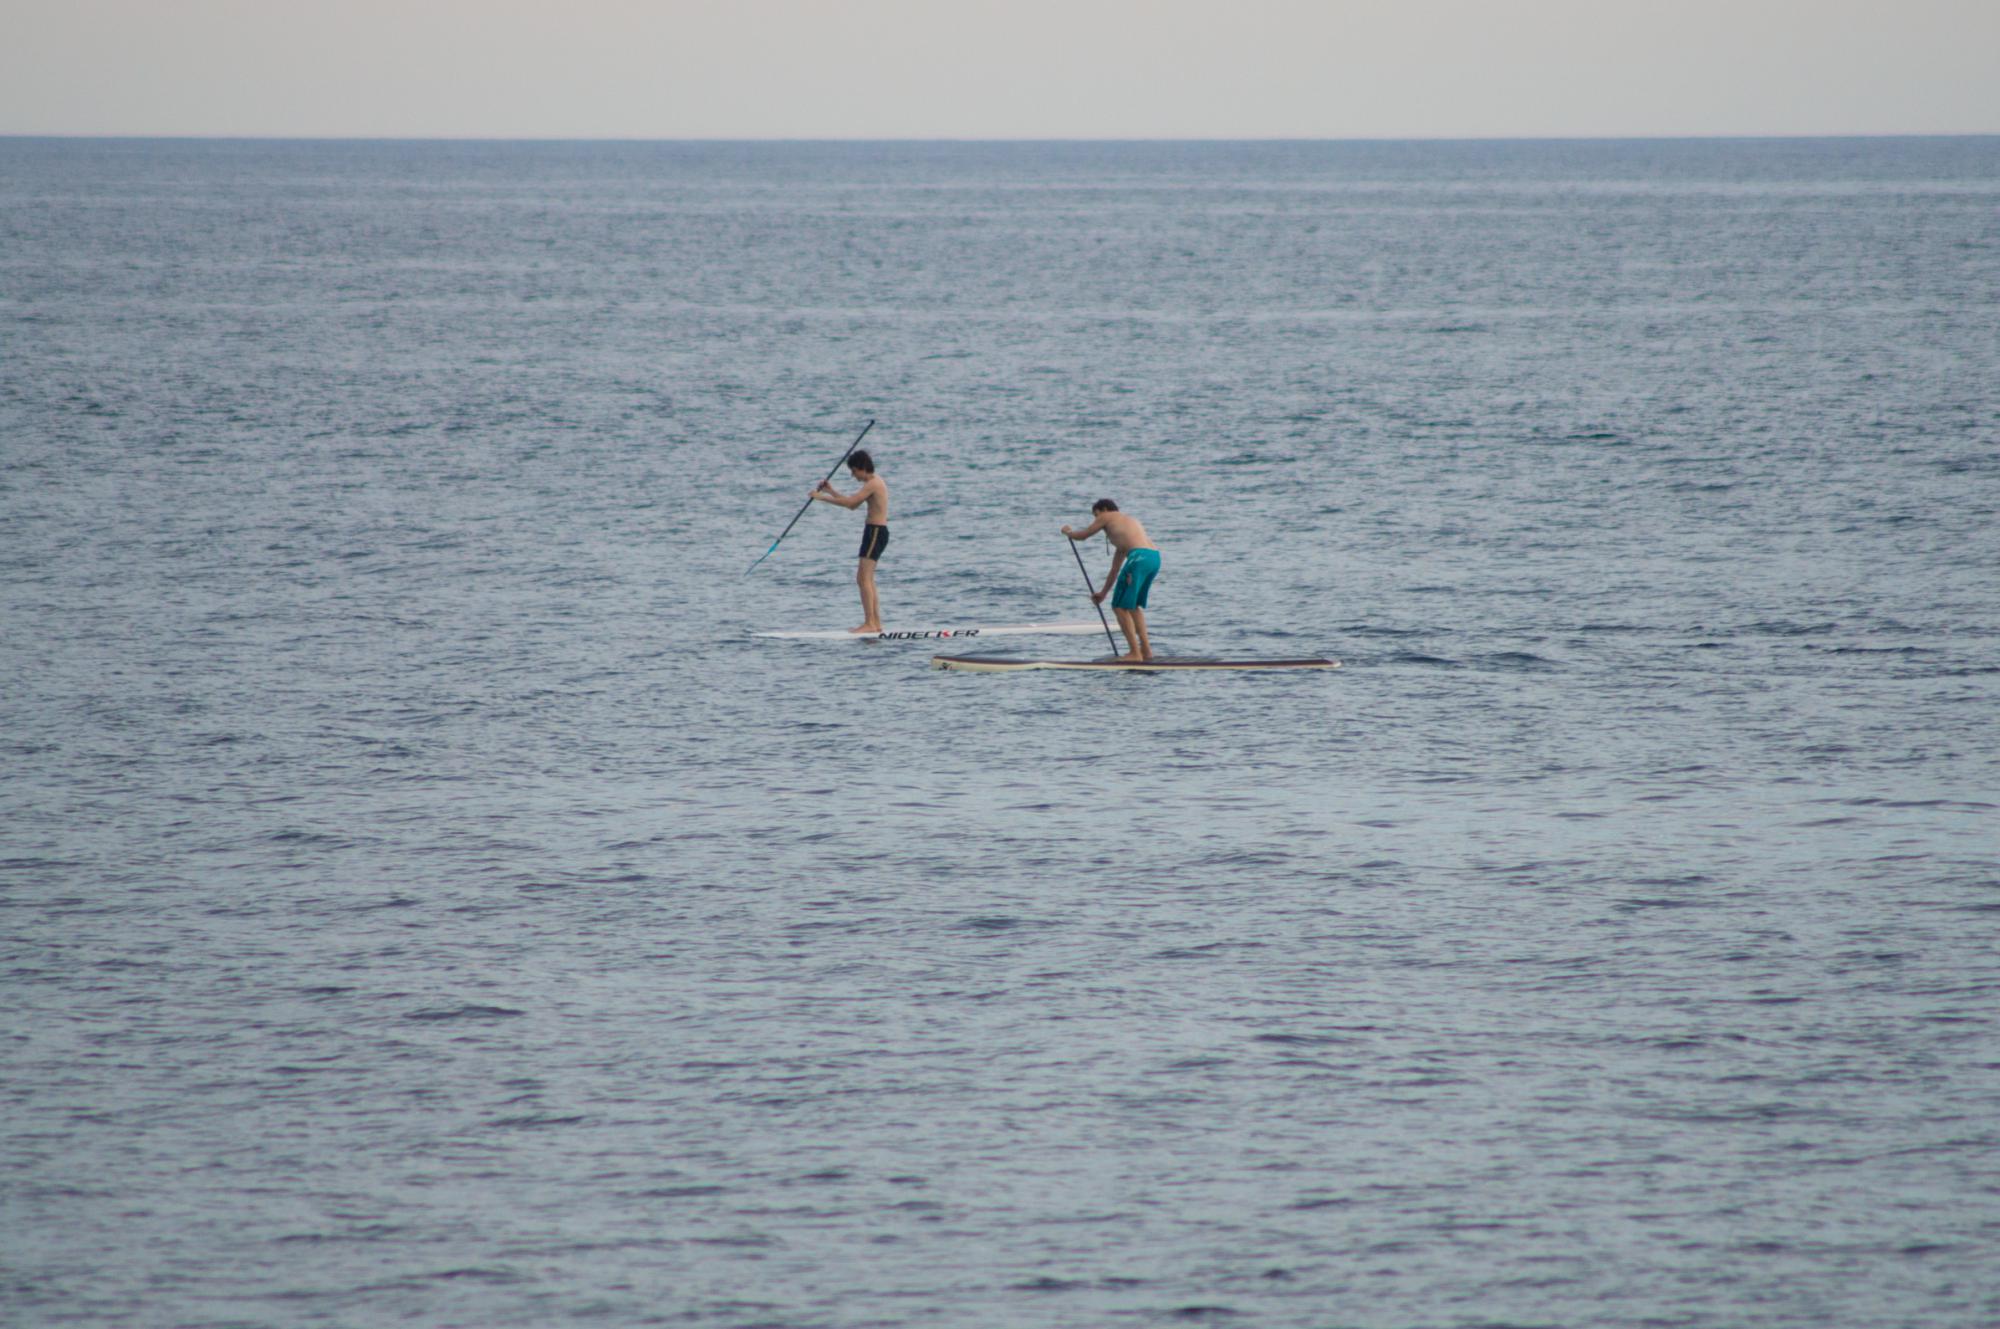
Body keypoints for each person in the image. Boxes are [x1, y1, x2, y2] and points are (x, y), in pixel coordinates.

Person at [1062, 499, 1160, 661]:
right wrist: (1103, 593)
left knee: (1119, 607)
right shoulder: (1125, 531)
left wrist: (1068, 533)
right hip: (1154, 558)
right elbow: (1114, 570)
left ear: (1104, 509)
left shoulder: (1108, 515)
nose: (1096, 520)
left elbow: (1084, 535)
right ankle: (1146, 651)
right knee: (1133, 606)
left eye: (1096, 515)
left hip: (1139, 558)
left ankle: (1135, 654)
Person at [810, 449, 889, 633]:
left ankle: (870, 623)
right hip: (875, 532)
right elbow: (853, 504)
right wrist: (831, 491)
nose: (853, 476)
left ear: (862, 468)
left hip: (876, 532)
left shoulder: (873, 483)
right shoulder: (873, 482)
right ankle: (875, 624)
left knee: (863, 578)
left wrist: (822, 497)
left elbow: (851, 504)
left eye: (854, 471)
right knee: (866, 578)